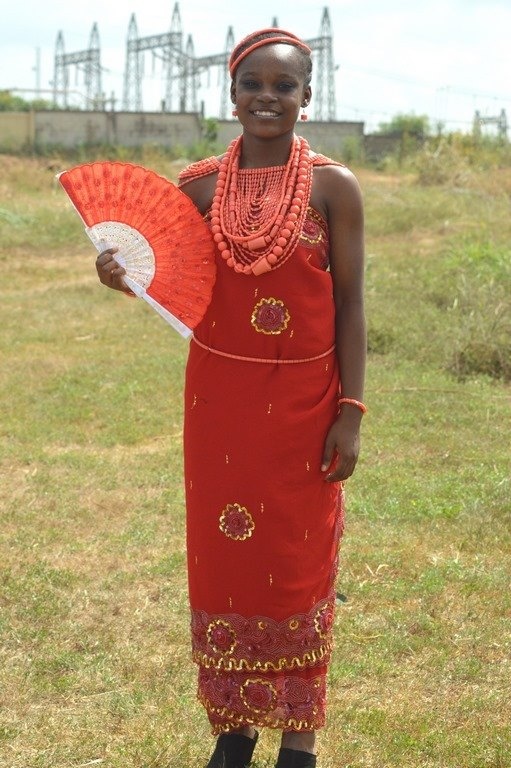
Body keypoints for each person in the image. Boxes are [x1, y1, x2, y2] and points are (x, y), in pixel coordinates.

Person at [96, 27, 366, 768]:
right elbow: (164, 275)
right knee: (226, 555)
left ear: (307, 98)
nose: (266, 98)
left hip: (307, 401)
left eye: (283, 86)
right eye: (252, 84)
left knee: (297, 557)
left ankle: (299, 736)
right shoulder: (199, 187)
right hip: (220, 401)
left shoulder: (334, 188)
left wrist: (350, 412)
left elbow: (350, 304)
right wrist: (119, 275)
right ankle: (234, 728)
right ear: (232, 94)